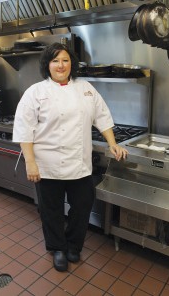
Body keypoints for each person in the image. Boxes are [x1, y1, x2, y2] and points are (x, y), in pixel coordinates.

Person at [13, 42, 128, 272]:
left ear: (71, 64)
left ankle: (74, 245)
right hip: (47, 164)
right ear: (48, 65)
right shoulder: (35, 92)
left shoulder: (85, 88)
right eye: (55, 60)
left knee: (82, 205)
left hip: (79, 163)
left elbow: (102, 117)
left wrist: (113, 143)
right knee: (51, 210)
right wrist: (31, 162)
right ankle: (57, 248)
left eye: (65, 60)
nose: (60, 65)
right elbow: (25, 129)